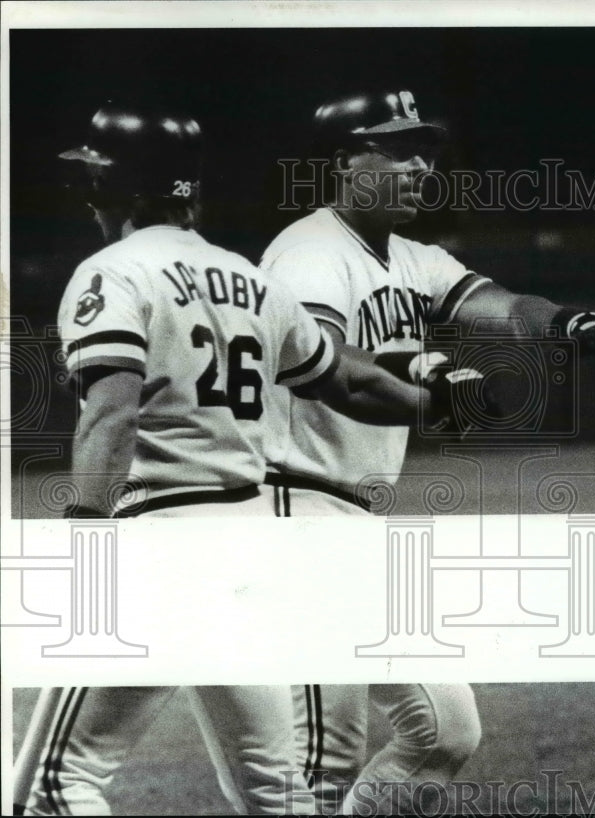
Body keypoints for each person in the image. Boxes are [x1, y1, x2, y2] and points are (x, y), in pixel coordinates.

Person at [24, 102, 459, 816]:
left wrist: (84, 542)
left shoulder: (112, 272)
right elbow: (343, 376)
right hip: (254, 558)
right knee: (278, 794)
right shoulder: (248, 279)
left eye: (93, 177)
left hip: (161, 544)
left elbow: (113, 409)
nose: (85, 191)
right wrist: (427, 402)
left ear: (114, 189)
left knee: (58, 781)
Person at [260, 89, 595, 814]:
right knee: (321, 758)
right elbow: (329, 367)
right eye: (398, 149)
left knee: (442, 730)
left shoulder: (409, 257)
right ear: (345, 161)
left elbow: (494, 304)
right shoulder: (310, 252)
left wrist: (565, 320)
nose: (420, 165)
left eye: (425, 150)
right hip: (293, 507)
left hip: (348, 516)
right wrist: (423, 380)